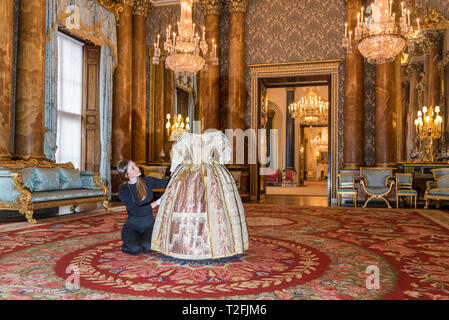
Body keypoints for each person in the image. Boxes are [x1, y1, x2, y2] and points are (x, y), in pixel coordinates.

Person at [151, 130, 249, 260]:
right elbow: (226, 155)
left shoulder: (187, 138)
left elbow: (176, 157)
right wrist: (219, 162)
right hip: (208, 171)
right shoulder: (213, 136)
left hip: (190, 172)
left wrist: (174, 171)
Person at [117, 160, 169, 255]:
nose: (137, 168)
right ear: (126, 175)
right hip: (132, 226)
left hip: (149, 225)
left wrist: (179, 172)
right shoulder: (123, 191)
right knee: (134, 249)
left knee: (149, 247)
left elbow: (166, 182)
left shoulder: (147, 181)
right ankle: (131, 240)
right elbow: (137, 211)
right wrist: (157, 202)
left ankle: (142, 240)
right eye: (133, 168)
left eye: (136, 165)